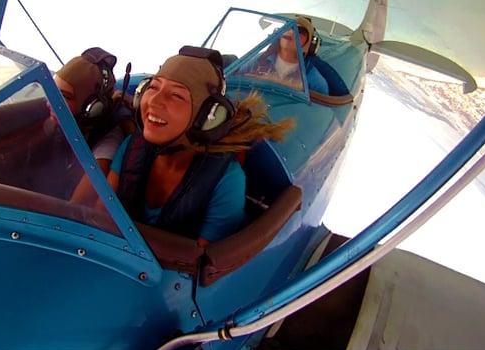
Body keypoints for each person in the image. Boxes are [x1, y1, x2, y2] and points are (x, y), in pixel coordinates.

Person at [106, 46, 293, 245]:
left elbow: (202, 265)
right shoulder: (133, 147)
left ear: (206, 117)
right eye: (153, 87)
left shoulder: (227, 181)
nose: (154, 101)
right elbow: (99, 211)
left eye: (176, 95)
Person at [252, 16, 329, 95]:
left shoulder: (315, 81)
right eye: (288, 27)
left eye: (300, 31)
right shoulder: (258, 60)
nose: (291, 32)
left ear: (311, 44)